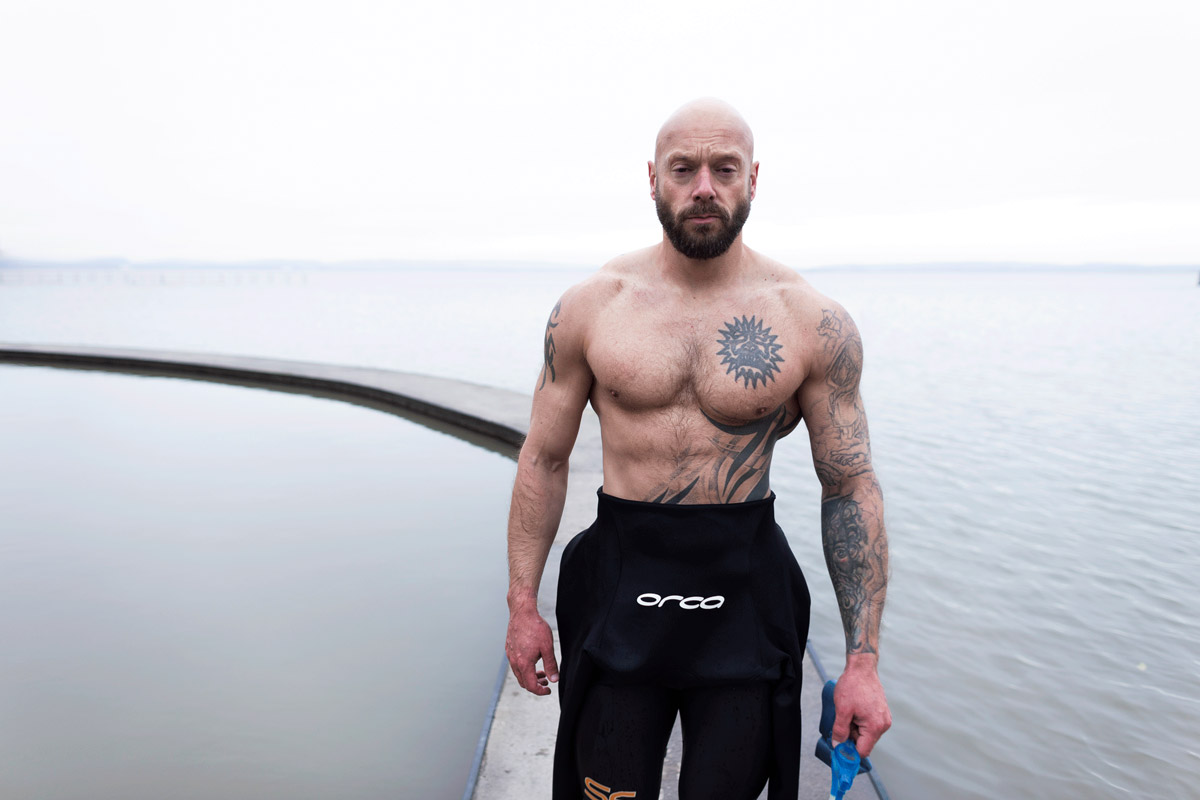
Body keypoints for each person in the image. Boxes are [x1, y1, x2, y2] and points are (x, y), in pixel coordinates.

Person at [504, 98, 891, 800]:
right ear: (653, 179)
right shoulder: (593, 307)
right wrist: (523, 604)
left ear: (753, 179)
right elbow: (544, 458)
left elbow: (850, 486)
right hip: (621, 584)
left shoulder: (811, 320)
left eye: (724, 168)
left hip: (744, 597)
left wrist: (862, 660)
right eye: (684, 169)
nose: (704, 186)